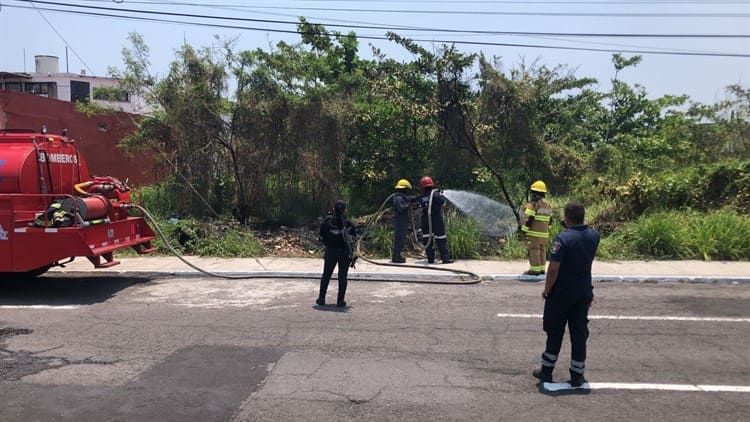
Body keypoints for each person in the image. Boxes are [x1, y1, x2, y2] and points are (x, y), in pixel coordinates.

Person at [533, 200, 600, 387]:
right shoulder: (594, 235)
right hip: (583, 292)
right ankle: (577, 375)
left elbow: (553, 269)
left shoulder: (563, 238)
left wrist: (547, 290)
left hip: (561, 294)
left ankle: (546, 371)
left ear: (567, 217)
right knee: (579, 334)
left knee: (554, 332)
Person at [317, 200, 357, 308]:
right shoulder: (348, 224)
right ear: (344, 210)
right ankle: (340, 301)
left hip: (330, 252)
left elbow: (320, 237)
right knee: (342, 276)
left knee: (326, 275)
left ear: (334, 209)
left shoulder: (327, 222)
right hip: (344, 252)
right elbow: (354, 238)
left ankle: (321, 298)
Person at [418, 176, 453, 264]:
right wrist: (441, 195)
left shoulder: (422, 196)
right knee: (441, 237)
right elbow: (442, 202)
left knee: (427, 238)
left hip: (425, 219)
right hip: (436, 218)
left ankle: (430, 259)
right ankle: (445, 258)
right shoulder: (436, 194)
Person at [521, 180, 553, 276]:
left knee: (534, 250)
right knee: (542, 250)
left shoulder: (532, 204)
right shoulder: (548, 204)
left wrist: (523, 231)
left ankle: (534, 270)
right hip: (544, 234)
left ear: (533, 193)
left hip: (534, 233)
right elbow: (550, 220)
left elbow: (528, 219)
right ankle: (542, 269)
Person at [392, 179, 414, 263]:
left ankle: (397, 256)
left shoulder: (400, 197)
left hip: (401, 221)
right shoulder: (398, 198)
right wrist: (408, 205)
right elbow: (401, 209)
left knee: (401, 238)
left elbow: (410, 198)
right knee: (400, 239)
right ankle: (396, 257)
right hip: (400, 222)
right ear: (404, 189)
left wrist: (419, 197)